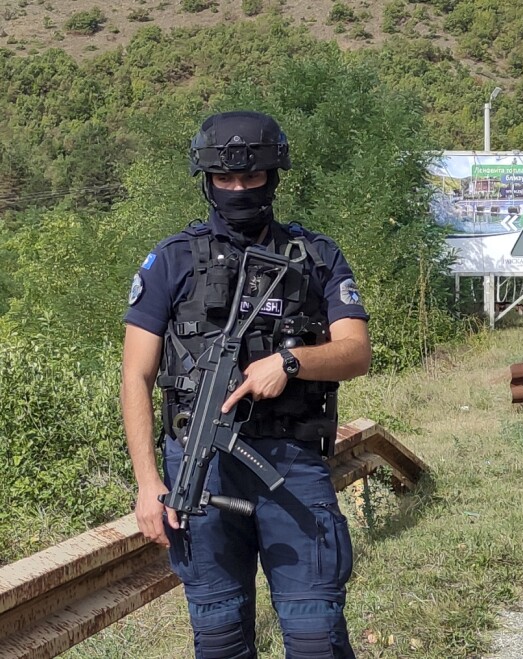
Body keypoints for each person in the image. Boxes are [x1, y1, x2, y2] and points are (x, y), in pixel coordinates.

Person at [120, 110, 371, 658]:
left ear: (273, 177)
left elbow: (356, 352)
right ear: (207, 180)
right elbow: (135, 375)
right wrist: (146, 483)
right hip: (198, 465)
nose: (237, 189)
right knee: (219, 635)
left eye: (251, 178)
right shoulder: (171, 261)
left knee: (315, 635)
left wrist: (291, 363)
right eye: (224, 179)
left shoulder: (316, 257)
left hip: (292, 464)